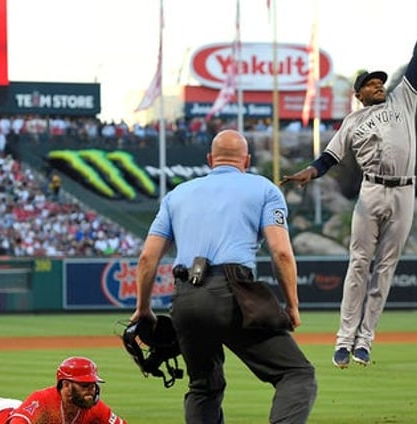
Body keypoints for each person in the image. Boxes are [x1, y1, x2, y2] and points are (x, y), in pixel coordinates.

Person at [279, 3, 417, 368]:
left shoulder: (404, 98)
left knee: (385, 267)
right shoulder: (352, 122)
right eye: (371, 84)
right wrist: (309, 171)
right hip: (371, 191)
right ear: (359, 93)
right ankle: (343, 340)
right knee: (359, 265)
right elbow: (328, 159)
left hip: (404, 191)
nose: (379, 85)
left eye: (380, 81)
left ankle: (365, 340)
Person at [131, 129, 317, 424]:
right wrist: (292, 305)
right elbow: (281, 252)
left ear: (210, 160)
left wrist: (143, 309)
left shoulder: (177, 194)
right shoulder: (265, 189)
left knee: (203, 387)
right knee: (296, 374)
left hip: (185, 298)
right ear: (246, 160)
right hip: (233, 293)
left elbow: (147, 258)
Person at [0, 357, 126, 424]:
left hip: (12, 407)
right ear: (65, 385)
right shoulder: (43, 401)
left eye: (92, 384)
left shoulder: (94, 408)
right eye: (84, 385)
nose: (91, 390)